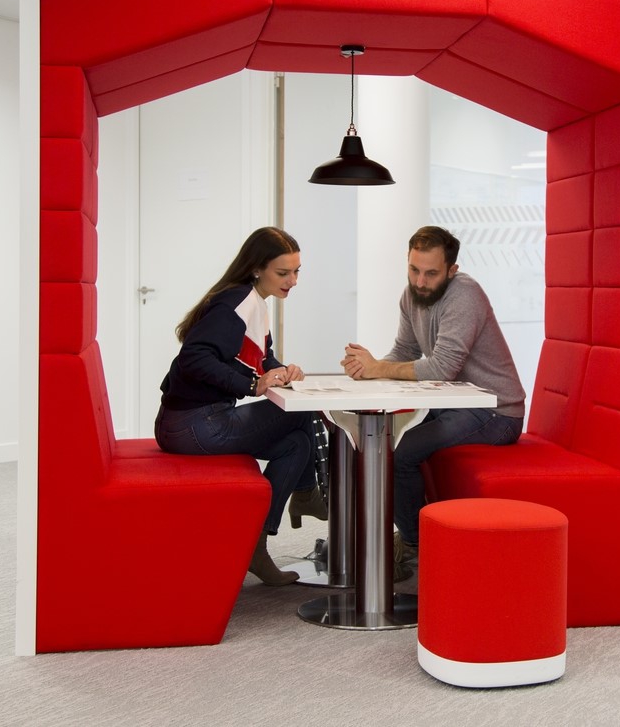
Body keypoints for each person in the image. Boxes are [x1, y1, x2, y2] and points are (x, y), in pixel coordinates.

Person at [340, 226, 525, 573]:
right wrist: (368, 370)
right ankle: (378, 538)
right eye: (413, 270)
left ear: (452, 270)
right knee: (378, 439)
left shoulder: (465, 295)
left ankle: (414, 544)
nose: (420, 282)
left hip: (495, 411)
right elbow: (404, 351)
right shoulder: (411, 296)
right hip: (453, 402)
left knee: (400, 451)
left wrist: (379, 367)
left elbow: (442, 367)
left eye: (431, 273)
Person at [154, 226, 327, 586]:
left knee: (297, 443)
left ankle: (257, 546)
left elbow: (260, 359)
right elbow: (194, 358)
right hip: (193, 425)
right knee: (302, 412)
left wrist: (282, 371)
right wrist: (252, 385)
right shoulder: (236, 303)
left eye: (297, 271)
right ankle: (307, 493)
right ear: (256, 268)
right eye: (283, 272)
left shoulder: (253, 302)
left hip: (195, 423)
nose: (293, 281)